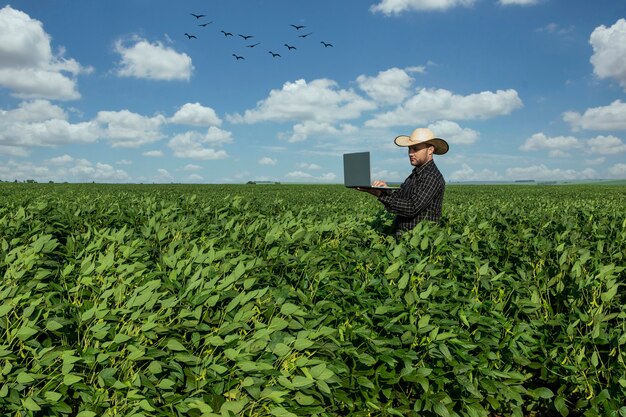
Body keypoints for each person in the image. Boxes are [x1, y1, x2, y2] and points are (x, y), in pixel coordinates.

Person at [358, 127, 449, 235]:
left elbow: (412, 207)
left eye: (415, 149)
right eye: (409, 149)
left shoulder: (431, 177)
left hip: (419, 240)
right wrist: (384, 190)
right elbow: (400, 197)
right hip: (405, 239)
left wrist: (380, 195)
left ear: (430, 150)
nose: (410, 153)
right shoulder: (415, 175)